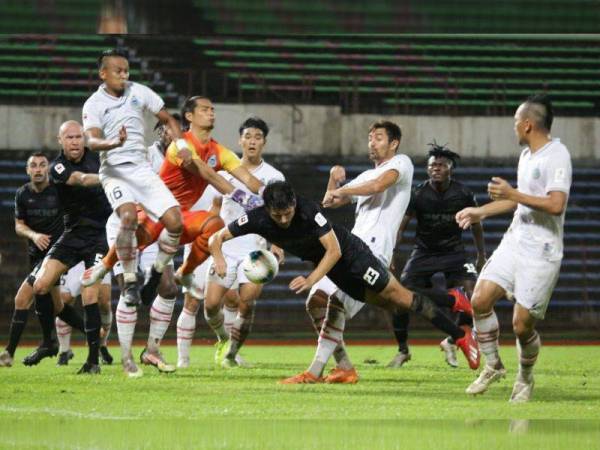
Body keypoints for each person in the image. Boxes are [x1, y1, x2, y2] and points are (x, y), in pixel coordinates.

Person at [209, 181, 480, 384]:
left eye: (287, 213)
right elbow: (215, 239)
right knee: (392, 304)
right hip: (336, 271)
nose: (283, 219)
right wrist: (219, 259)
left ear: (293, 203)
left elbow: (334, 250)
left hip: (353, 257)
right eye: (276, 215)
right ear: (266, 210)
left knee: (400, 298)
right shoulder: (256, 219)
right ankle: (451, 300)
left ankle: (461, 336)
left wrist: (311, 279)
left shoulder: (307, 211)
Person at [456, 94, 571, 403]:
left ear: (528, 125)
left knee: (521, 325)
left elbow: (556, 204)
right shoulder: (527, 156)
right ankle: (493, 365)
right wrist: (480, 211)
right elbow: (518, 199)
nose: (514, 129)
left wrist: (512, 193)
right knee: (479, 300)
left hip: (542, 251)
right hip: (516, 240)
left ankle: (525, 376)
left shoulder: (556, 155)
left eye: (516, 123)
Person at [302, 120, 413, 384]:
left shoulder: (402, 163)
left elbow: (378, 186)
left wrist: (343, 189)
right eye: (369, 138)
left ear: (393, 143)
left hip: (374, 251)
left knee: (338, 303)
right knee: (315, 301)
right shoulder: (364, 176)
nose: (371, 143)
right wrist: (333, 178)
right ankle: (345, 368)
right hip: (350, 249)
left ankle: (314, 371)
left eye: (378, 138)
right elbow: (329, 201)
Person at [82, 48, 186, 307]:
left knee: (175, 222)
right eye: (118, 70)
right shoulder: (94, 104)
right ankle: (130, 281)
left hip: (140, 168)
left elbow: (169, 119)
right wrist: (113, 142)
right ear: (103, 73)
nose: (124, 74)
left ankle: (156, 272)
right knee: (128, 217)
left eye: (126, 70)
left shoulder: (139, 91)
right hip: (114, 171)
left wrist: (182, 145)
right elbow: (91, 141)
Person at [387, 143, 486, 369]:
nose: (436, 169)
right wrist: (392, 252)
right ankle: (403, 350)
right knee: (400, 296)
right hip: (424, 252)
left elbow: (476, 224)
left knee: (475, 297)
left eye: (441, 165)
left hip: (454, 252)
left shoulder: (463, 193)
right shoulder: (419, 193)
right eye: (433, 165)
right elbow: (401, 226)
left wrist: (481, 254)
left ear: (450, 168)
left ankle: (452, 340)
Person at [202, 116, 285, 368]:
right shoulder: (226, 170)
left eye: (257, 137)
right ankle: (223, 339)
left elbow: (280, 214)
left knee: (246, 302)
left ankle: (231, 354)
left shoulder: (273, 177)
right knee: (212, 304)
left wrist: (277, 243)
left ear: (264, 143)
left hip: (254, 250)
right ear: (240, 140)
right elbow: (215, 211)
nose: (252, 141)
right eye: (248, 136)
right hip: (226, 245)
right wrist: (209, 242)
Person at [32, 121, 113, 374]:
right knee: (41, 285)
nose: (75, 141)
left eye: (79, 136)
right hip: (73, 234)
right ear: (60, 140)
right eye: (70, 137)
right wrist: (108, 178)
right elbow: (79, 179)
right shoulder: (57, 166)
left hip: (100, 235)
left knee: (91, 294)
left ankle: (92, 362)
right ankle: (49, 342)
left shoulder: (100, 159)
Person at [0, 153, 70, 367]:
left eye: (42, 165)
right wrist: (34, 235)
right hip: (36, 256)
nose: (38, 169)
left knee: (22, 299)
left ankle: (9, 354)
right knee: (58, 306)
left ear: (48, 168)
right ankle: (93, 336)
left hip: (56, 256)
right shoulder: (22, 194)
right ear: (28, 170)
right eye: (34, 166)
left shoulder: (59, 190)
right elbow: (19, 225)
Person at [56, 261, 113, 366]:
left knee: (104, 302)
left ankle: (101, 345)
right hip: (75, 257)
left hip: (98, 258)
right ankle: (64, 350)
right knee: (64, 302)